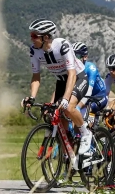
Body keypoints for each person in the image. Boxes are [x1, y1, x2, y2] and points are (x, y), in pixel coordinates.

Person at [22, 19, 91, 156]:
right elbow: (36, 76)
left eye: (35, 36)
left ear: (46, 37)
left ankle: (85, 133)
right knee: (56, 117)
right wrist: (32, 97)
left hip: (78, 78)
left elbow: (72, 74)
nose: (31, 39)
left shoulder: (62, 45)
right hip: (61, 81)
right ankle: (69, 156)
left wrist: (65, 99)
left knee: (69, 107)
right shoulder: (34, 51)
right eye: (31, 35)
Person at [72, 42, 107, 124]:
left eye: (77, 56)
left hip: (99, 97)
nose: (74, 60)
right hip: (85, 97)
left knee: (84, 121)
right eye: (72, 56)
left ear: (85, 57)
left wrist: (78, 107)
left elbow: (89, 91)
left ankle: (90, 128)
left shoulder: (90, 68)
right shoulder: (72, 69)